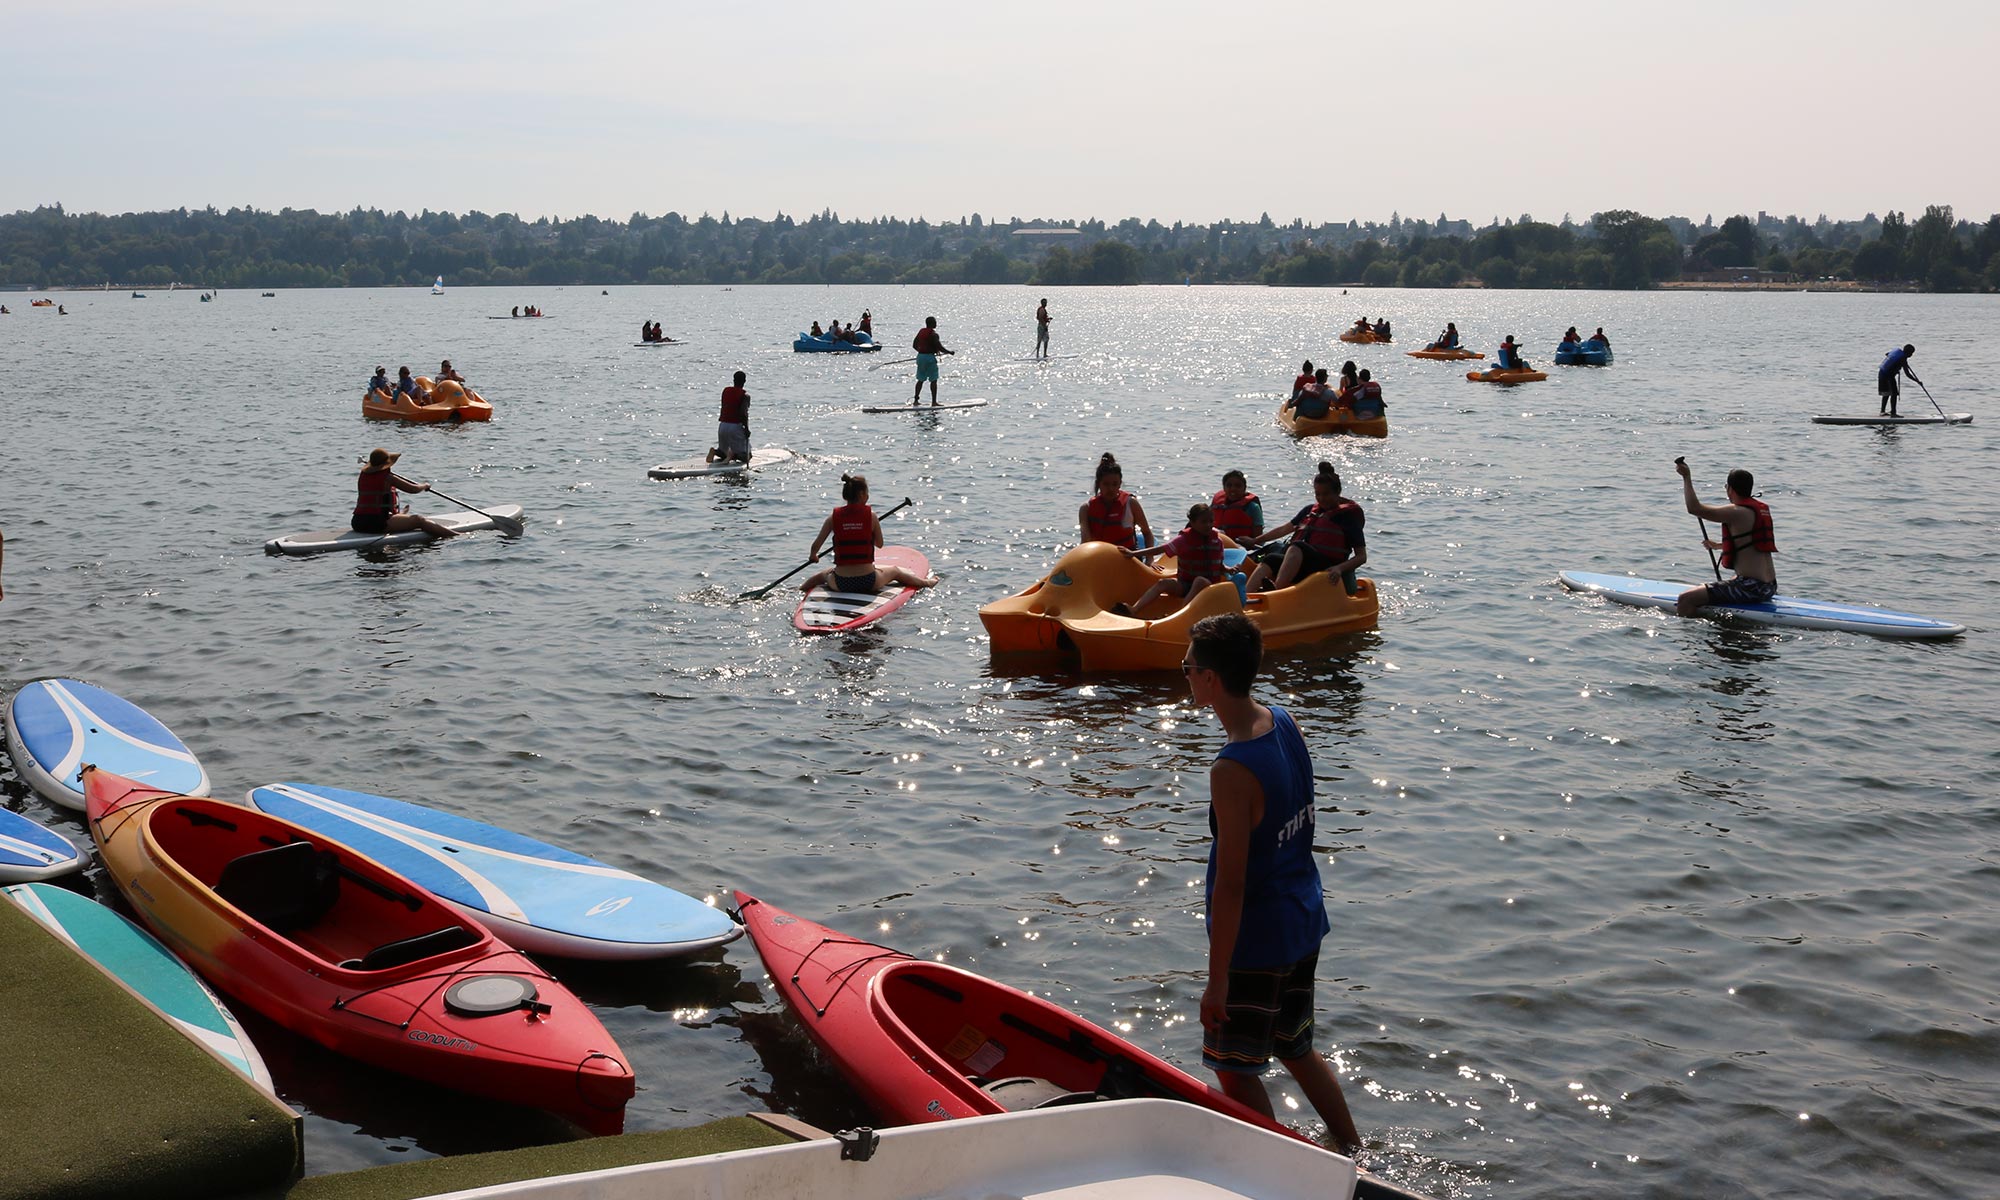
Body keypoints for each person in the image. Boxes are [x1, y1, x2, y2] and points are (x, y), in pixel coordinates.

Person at [1185, 610, 1362, 1156]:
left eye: (1189, 665)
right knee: (1296, 1046)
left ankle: (1282, 1170)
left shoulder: (1231, 769)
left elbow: (1232, 885)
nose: (1184, 673)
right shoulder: (1283, 720)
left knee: (1233, 1070)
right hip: (1302, 918)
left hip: (1257, 939)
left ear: (1211, 679)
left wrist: (1217, 982)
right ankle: (1354, 1152)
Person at [801, 474, 939, 595]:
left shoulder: (832, 518)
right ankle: (927, 583)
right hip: (868, 581)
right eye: (867, 492)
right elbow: (879, 544)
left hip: (841, 583)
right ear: (862, 495)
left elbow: (815, 546)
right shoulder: (871, 517)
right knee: (895, 571)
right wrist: (863, 534)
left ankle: (800, 589)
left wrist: (814, 556)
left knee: (822, 575)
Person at [1242, 463, 1365, 595]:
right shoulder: (1310, 511)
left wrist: (1339, 568)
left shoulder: (1347, 518)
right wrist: (1255, 540)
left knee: (1296, 546)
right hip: (1303, 564)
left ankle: (1276, 592)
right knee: (1271, 559)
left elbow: (1361, 556)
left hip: (1326, 567)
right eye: (1318, 494)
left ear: (1338, 492)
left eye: (1326, 494)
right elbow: (1284, 529)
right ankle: (1245, 599)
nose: (1322, 498)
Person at [1674, 458, 1776, 615]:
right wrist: (1718, 546)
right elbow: (1751, 543)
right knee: (1721, 584)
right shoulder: (1758, 510)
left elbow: (1694, 508)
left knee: (1685, 598)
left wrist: (1686, 477)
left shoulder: (1737, 511)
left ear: (1730, 489)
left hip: (1752, 587)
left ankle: (1690, 637)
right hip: (1769, 586)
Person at [1117, 504, 1228, 615]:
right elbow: (1160, 549)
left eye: (1211, 521)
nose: (1208, 525)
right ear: (1193, 523)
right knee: (1163, 583)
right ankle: (1134, 609)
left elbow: (1219, 566)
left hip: (1209, 587)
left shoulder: (1217, 541)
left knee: (1199, 580)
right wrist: (1133, 553)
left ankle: (1178, 616)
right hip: (1186, 585)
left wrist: (1229, 569)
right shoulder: (1183, 540)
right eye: (1204, 522)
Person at [353, 449, 459, 540]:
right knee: (419, 520)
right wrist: (424, 486)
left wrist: (400, 514)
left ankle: (400, 516)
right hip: (376, 523)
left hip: (357, 522)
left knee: (397, 516)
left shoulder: (363, 476)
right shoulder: (388, 478)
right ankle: (457, 536)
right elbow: (413, 489)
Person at [1079, 453, 1153, 549]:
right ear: (1098, 484)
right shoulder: (1086, 509)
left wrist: (1149, 559)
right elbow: (1085, 543)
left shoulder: (1131, 504)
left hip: (1127, 558)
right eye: (1106, 484)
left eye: (1115, 484)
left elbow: (1147, 533)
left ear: (1120, 484)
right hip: (1099, 557)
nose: (1110, 489)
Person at [911, 316, 955, 406]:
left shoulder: (921, 332)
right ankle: (934, 402)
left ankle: (915, 400)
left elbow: (914, 345)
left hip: (920, 357)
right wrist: (949, 352)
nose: (936, 324)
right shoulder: (934, 334)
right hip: (929, 358)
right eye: (935, 322)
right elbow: (940, 347)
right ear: (931, 323)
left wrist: (922, 352)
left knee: (920, 379)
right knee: (933, 380)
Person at [1211, 470, 1264, 544]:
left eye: (1238, 486)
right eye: (1229, 485)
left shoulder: (1252, 507)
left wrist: (1252, 541)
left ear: (1244, 488)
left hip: (1244, 547)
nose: (1233, 489)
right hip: (1217, 544)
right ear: (1224, 488)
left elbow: (1258, 537)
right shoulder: (1216, 504)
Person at [716, 370, 752, 464]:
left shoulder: (726, 391)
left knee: (723, 452)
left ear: (733, 380)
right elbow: (743, 414)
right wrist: (746, 429)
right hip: (735, 427)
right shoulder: (745, 396)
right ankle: (734, 455)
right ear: (744, 381)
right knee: (747, 456)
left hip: (722, 426)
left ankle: (717, 452)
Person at [1878, 343, 1920, 417]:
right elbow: (1907, 374)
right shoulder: (1903, 359)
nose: (1912, 355)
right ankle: (1893, 413)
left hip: (1882, 373)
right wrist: (1917, 381)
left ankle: (1882, 411)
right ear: (1908, 353)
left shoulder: (1897, 352)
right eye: (1911, 353)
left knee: (1887, 393)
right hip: (1887, 376)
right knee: (1893, 394)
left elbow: (1887, 354)